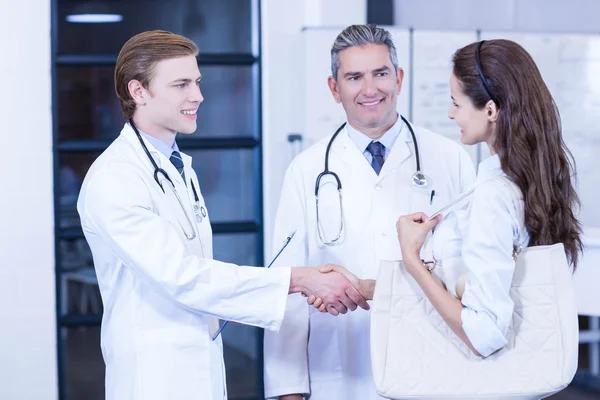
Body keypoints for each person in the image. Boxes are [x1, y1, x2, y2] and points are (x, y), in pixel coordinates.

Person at [76, 30, 369, 400]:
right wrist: (298, 280)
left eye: (196, 82)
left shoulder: (178, 168)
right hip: (153, 377)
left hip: (201, 368)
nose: (197, 96)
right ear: (138, 92)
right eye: (181, 84)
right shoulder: (114, 179)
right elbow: (182, 277)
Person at [315, 39, 583, 360]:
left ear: (490, 109)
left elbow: (484, 333)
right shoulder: (525, 182)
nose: (450, 113)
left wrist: (411, 259)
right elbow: (475, 286)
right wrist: (369, 289)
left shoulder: (494, 195)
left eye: (456, 102)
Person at [263, 24, 476, 400]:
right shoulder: (306, 170)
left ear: (399, 78)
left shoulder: (450, 159)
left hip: (435, 367)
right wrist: (288, 390)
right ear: (334, 88)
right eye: (354, 77)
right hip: (341, 373)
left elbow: (470, 273)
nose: (370, 89)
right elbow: (288, 286)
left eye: (380, 73)